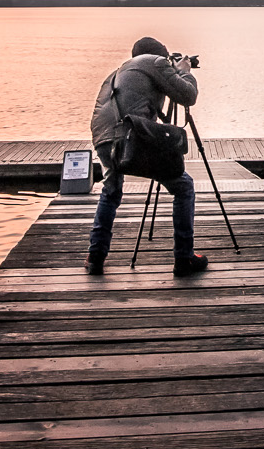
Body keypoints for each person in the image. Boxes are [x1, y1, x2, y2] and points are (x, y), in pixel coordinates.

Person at [86, 36, 206, 276]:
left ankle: (95, 257)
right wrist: (183, 72)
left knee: (111, 190)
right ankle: (184, 258)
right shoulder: (155, 62)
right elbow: (188, 95)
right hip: (130, 138)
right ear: (160, 54)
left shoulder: (117, 73)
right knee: (183, 187)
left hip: (102, 138)